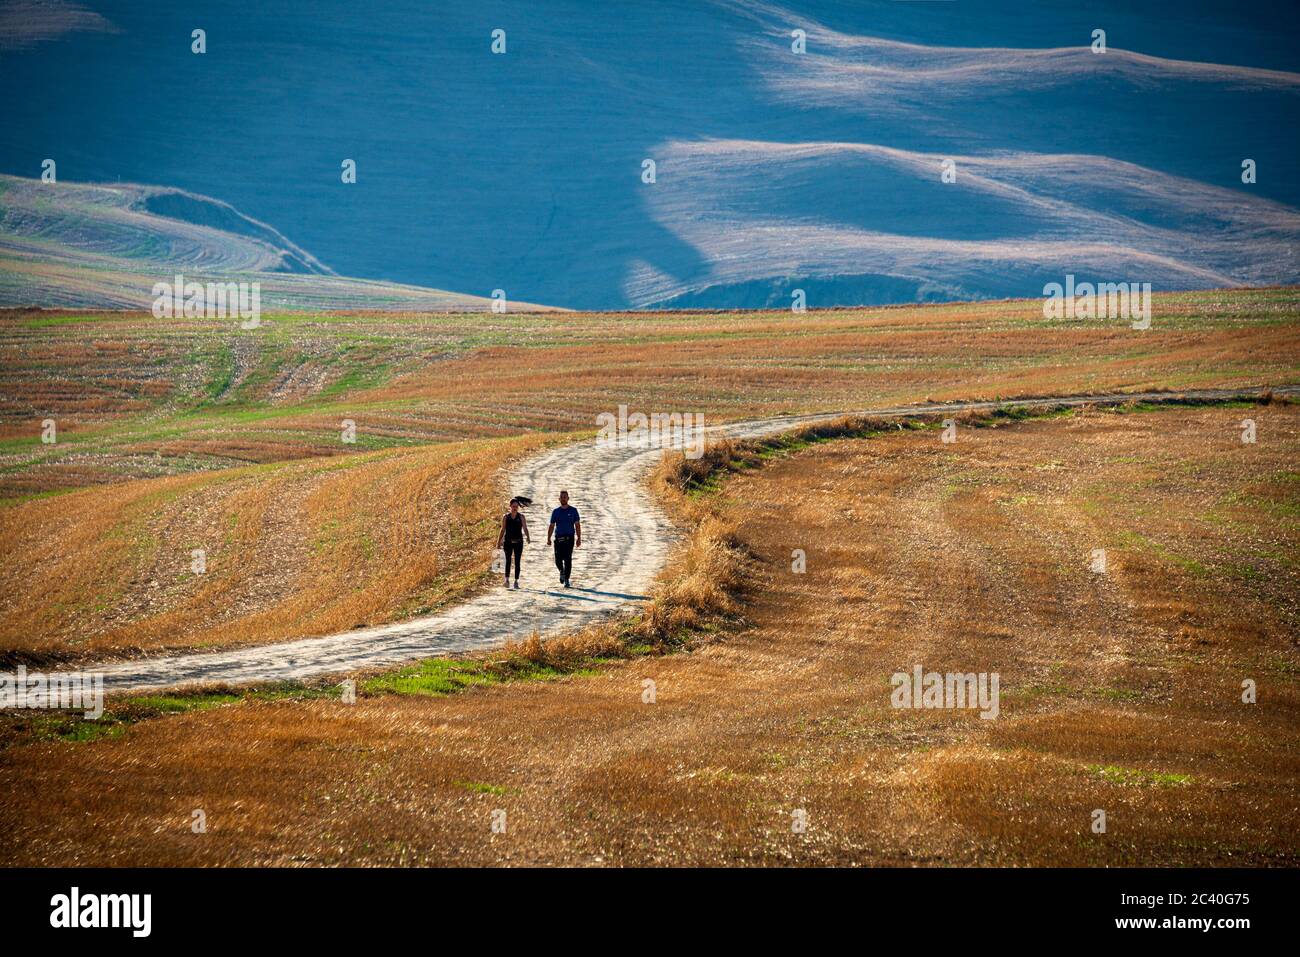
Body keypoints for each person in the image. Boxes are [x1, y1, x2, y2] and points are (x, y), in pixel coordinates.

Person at [547, 489, 581, 587]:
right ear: (559, 499)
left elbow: (577, 525)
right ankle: (561, 571)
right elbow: (552, 525)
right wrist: (548, 538)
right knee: (558, 560)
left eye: (565, 497)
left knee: (568, 559)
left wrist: (579, 538)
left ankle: (566, 579)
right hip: (558, 539)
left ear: (568, 498)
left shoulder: (573, 511)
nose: (563, 498)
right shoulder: (556, 512)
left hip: (569, 539)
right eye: (561, 497)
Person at [496, 497, 530, 589]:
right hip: (508, 542)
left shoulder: (521, 517)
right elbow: (502, 529)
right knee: (508, 560)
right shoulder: (506, 517)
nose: (515, 508)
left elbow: (525, 528)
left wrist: (528, 537)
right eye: (513, 506)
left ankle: (516, 581)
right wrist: (498, 542)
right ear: (510, 506)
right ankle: (506, 580)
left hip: (519, 542)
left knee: (517, 561)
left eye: (516, 506)